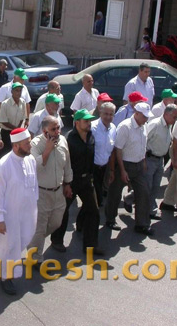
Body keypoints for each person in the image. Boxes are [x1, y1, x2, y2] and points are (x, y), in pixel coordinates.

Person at [0, 128, 38, 295]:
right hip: (8, 215)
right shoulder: (3, 166)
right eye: (27, 143)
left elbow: (34, 185)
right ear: (16, 146)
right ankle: (5, 278)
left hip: (26, 213)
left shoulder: (30, 159)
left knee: (22, 240)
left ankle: (0, 257)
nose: (30, 145)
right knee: (9, 246)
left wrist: (34, 206)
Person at [51, 109, 100, 255]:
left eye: (90, 120)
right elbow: (64, 163)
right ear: (77, 122)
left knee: (93, 211)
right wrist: (66, 184)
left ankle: (90, 245)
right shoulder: (69, 140)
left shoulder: (91, 136)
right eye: (86, 121)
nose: (89, 123)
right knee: (63, 212)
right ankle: (57, 240)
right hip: (71, 182)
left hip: (86, 180)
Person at [28, 116, 73, 263]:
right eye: (53, 129)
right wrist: (47, 151)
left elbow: (67, 164)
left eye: (58, 128)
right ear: (44, 130)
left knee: (56, 223)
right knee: (39, 228)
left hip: (58, 192)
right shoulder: (35, 144)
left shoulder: (63, 141)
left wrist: (68, 183)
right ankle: (35, 258)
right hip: (41, 193)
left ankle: (31, 240)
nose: (57, 132)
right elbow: (32, 167)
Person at [106, 102, 154, 235]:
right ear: (136, 114)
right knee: (115, 194)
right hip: (125, 165)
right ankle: (110, 219)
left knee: (144, 192)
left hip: (138, 164)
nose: (146, 119)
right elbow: (118, 150)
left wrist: (143, 161)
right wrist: (122, 170)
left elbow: (142, 145)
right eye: (144, 116)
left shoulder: (144, 126)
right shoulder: (125, 127)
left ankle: (142, 224)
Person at [142, 104, 177, 219]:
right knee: (148, 186)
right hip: (150, 159)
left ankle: (132, 199)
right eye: (174, 117)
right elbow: (143, 141)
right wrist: (143, 160)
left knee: (155, 187)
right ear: (166, 114)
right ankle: (148, 211)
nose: (175, 120)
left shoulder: (168, 125)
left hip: (160, 160)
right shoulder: (155, 124)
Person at [90, 102, 117, 207]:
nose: (108, 117)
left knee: (99, 196)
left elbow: (112, 151)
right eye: (106, 114)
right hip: (92, 167)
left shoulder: (113, 128)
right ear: (100, 113)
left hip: (104, 168)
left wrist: (111, 170)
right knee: (94, 199)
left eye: (111, 114)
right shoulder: (92, 128)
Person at [0, 82, 28, 158]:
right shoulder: (5, 104)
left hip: (17, 132)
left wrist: (18, 128)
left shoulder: (23, 103)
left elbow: (22, 117)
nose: (18, 93)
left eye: (20, 90)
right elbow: (3, 121)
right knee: (4, 155)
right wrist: (15, 129)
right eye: (16, 90)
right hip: (6, 133)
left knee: (18, 154)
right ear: (12, 92)